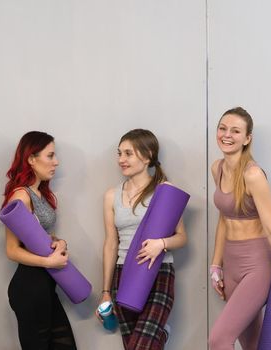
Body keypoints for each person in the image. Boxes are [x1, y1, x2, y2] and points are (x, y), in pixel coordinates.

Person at [208, 107, 271, 350]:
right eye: (223, 128)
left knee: (218, 340)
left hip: (256, 265)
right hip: (231, 263)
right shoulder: (217, 168)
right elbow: (223, 219)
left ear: (247, 138)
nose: (227, 135)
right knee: (252, 345)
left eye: (236, 131)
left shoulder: (253, 175)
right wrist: (216, 264)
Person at [97, 129, 188, 350]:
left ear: (147, 155)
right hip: (124, 274)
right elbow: (111, 244)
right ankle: (161, 337)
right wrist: (106, 292)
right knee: (132, 345)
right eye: (119, 153)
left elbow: (182, 237)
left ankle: (159, 335)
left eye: (128, 153)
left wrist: (162, 244)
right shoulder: (111, 195)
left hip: (158, 272)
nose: (121, 160)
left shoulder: (164, 191)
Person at [2, 131, 77, 350]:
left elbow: (38, 236)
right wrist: (48, 262)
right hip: (29, 287)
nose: (56, 162)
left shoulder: (40, 193)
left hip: (45, 285)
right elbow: (12, 249)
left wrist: (59, 242)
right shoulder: (20, 196)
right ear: (31, 159)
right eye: (50, 156)